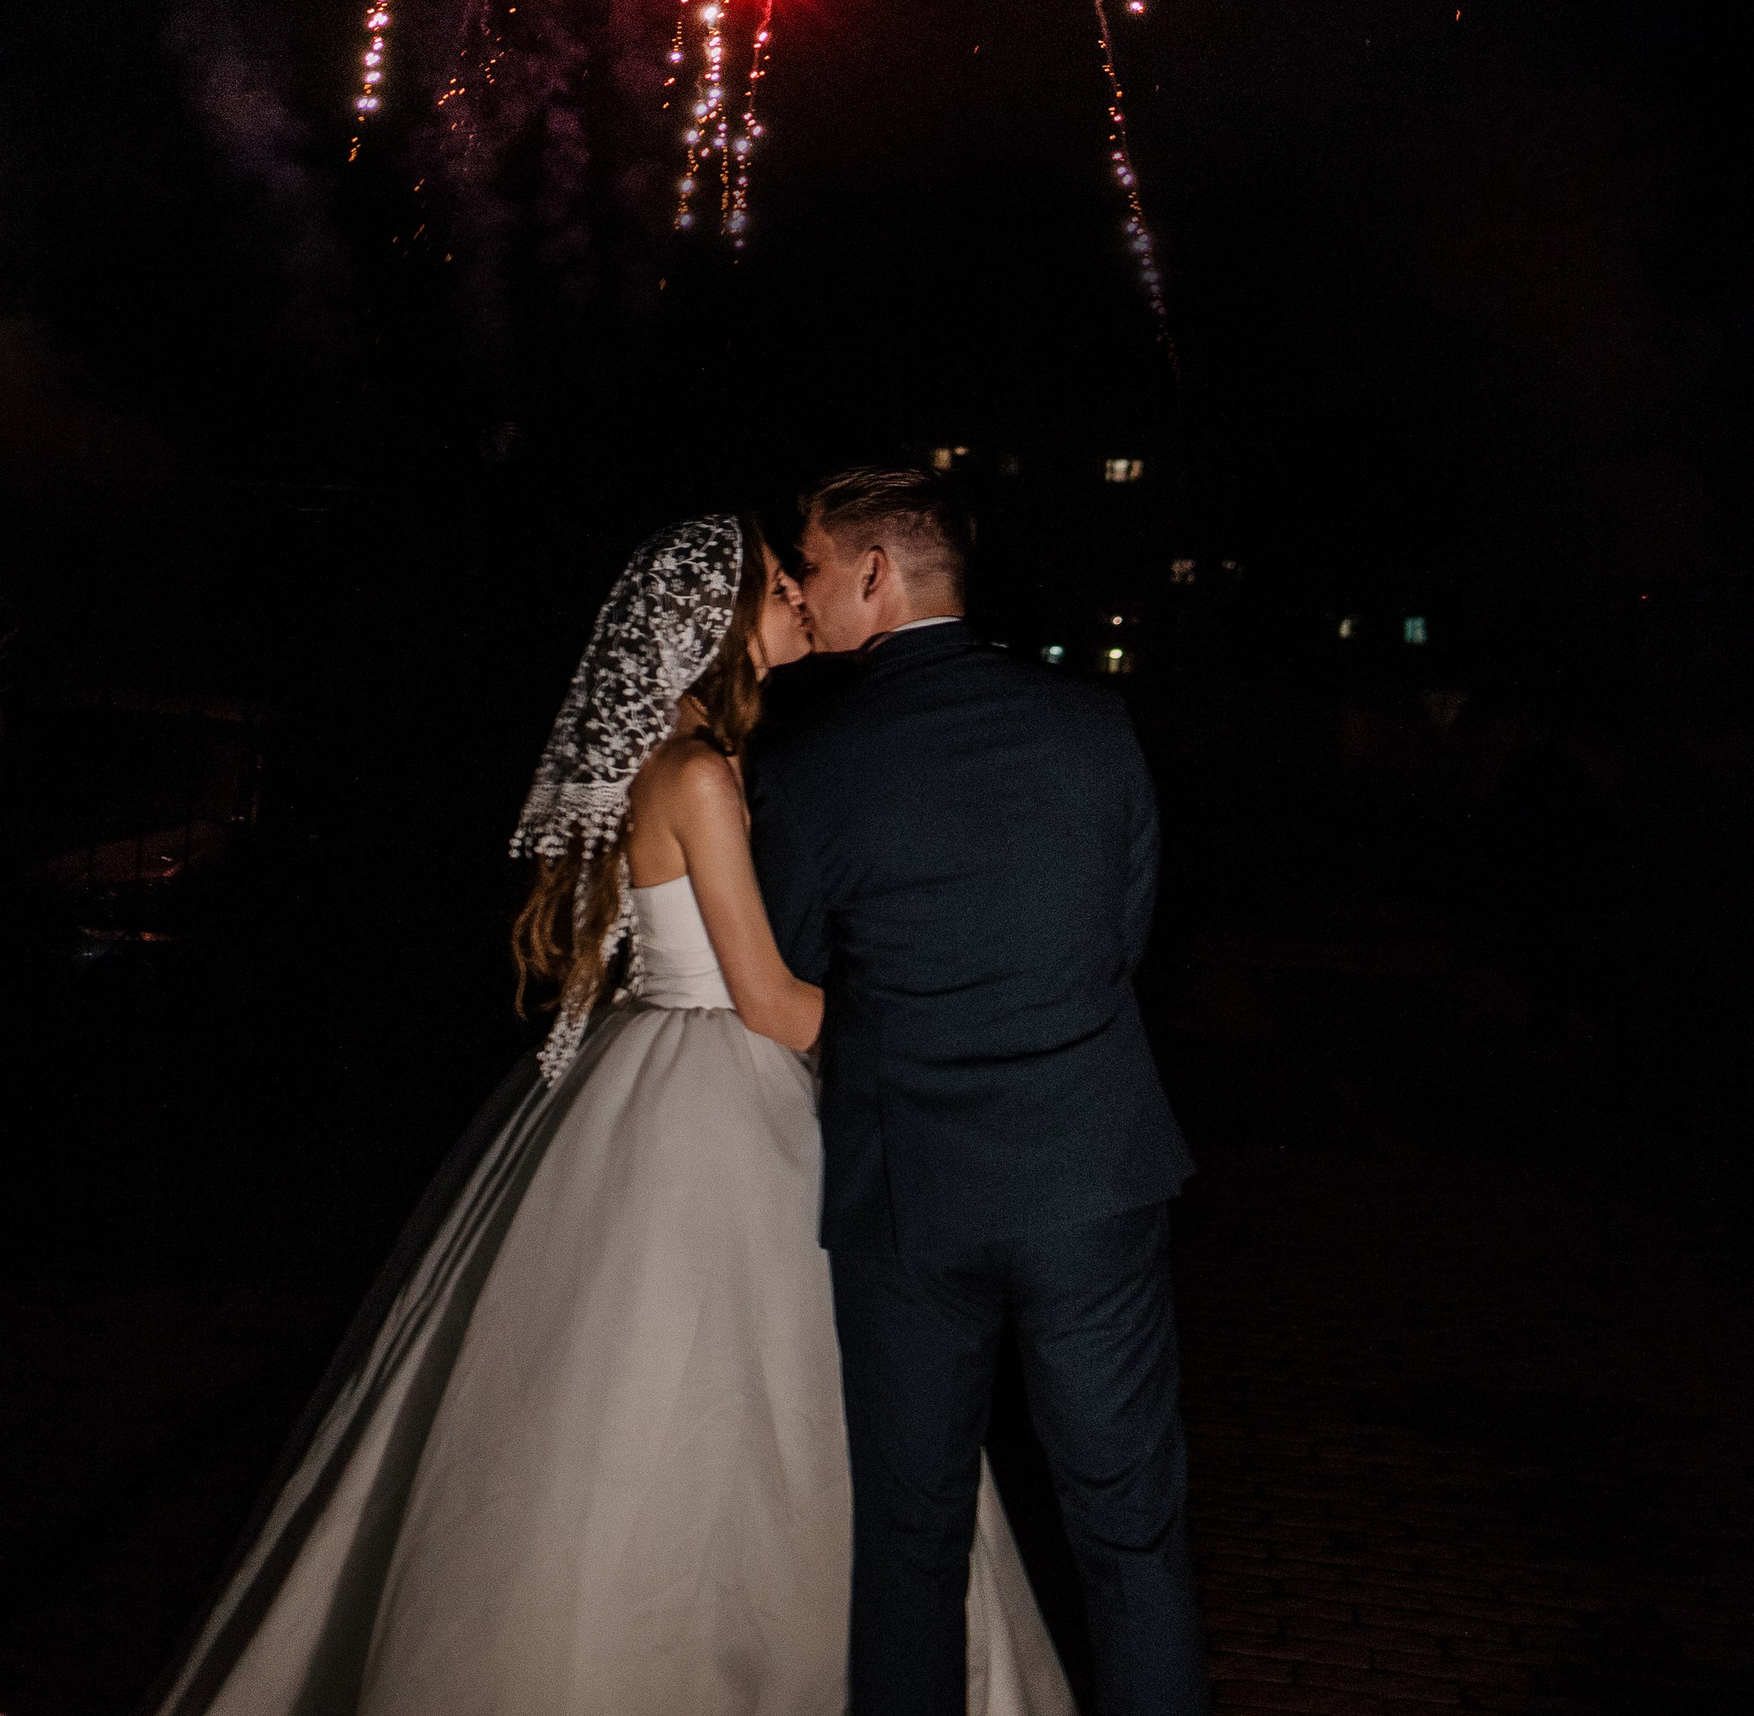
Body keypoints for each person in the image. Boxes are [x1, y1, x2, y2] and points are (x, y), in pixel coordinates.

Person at [153, 511, 1075, 1716]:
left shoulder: (680, 754)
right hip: (715, 1088)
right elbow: (765, 998)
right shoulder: (694, 772)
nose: (799, 599)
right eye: (776, 588)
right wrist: (946, 1025)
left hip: (654, 1072)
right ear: (714, 623)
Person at [752, 465, 1209, 1716]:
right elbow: (1121, 936)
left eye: (805, 561)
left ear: (873, 575)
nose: (795, 586)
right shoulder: (1092, 724)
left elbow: (788, 984)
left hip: (914, 1194)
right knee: (1130, 1535)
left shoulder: (811, 766)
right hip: (1090, 1176)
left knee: (911, 1540)